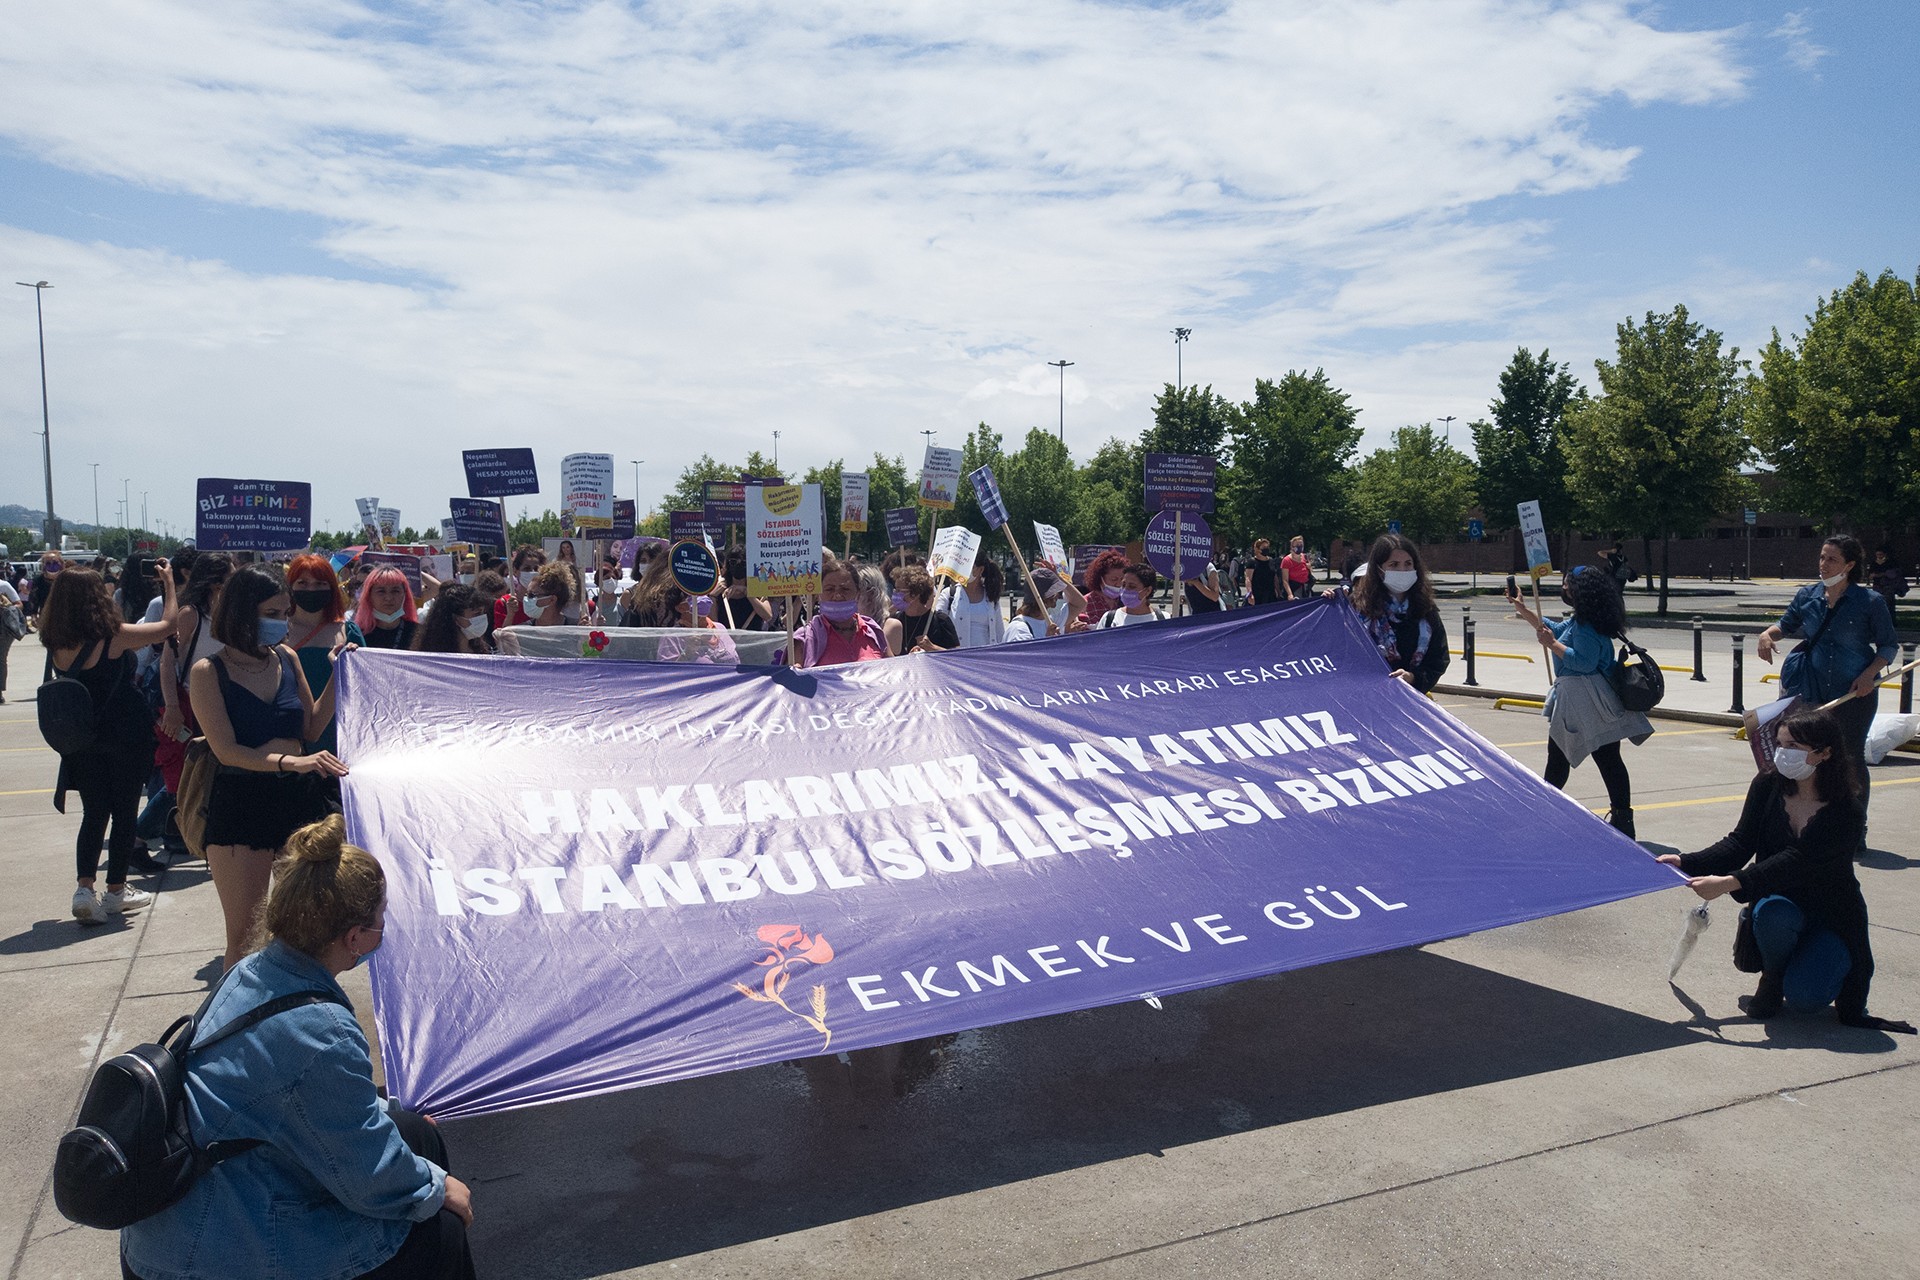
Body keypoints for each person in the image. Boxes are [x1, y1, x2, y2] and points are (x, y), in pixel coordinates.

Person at [119, 815, 478, 1280]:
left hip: (174, 1225)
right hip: (202, 1260)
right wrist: (438, 1189)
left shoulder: (252, 972)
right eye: (380, 919)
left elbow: (308, 1097)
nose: (384, 929)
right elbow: (367, 1175)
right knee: (440, 1229)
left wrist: (390, 1118)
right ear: (354, 938)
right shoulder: (321, 1031)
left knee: (413, 1130)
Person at [1656, 708, 1912, 1034]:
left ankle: (1807, 965)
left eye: (1793, 747)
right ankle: (1773, 976)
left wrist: (1731, 883)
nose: (1782, 753)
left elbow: (1799, 860)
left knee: (1806, 1000)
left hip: (1831, 911)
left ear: (1824, 753)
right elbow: (1739, 842)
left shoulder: (1847, 810)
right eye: (1779, 744)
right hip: (1780, 901)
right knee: (1774, 914)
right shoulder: (1768, 784)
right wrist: (1685, 861)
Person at [189, 566, 348, 971]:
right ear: (241, 613)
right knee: (245, 938)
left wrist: (339, 671)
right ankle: (233, 1026)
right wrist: (292, 762)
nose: (282, 623)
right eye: (272, 614)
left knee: (307, 931)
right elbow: (226, 751)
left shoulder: (287, 658)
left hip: (299, 802)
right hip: (242, 804)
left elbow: (311, 725)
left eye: (284, 614)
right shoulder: (209, 672)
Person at [40, 563, 178, 922]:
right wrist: (169, 586)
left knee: (94, 814)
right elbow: (168, 627)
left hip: (81, 740)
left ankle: (85, 889)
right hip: (124, 736)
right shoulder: (112, 636)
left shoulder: (55, 641)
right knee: (124, 815)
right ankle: (116, 890)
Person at [1754, 534, 1897, 827]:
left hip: (1855, 694)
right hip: (1812, 693)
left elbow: (1887, 646)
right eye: (1821, 557)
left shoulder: (1870, 602)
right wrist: (1767, 635)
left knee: (1852, 759)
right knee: (1811, 758)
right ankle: (1814, 824)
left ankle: (1855, 829)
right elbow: (1785, 624)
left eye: (1831, 559)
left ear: (1849, 565)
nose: (1823, 564)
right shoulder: (1808, 596)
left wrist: (1869, 674)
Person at [1508, 564, 1647, 836]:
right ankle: (1623, 819)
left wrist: (1552, 645)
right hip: (1590, 702)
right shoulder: (1583, 620)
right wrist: (1524, 610)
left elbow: (1582, 662)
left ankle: (1543, 812)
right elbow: (1556, 628)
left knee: (1564, 758)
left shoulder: (1585, 627)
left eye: (1567, 583)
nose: (1563, 587)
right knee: (1604, 760)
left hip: (1585, 702)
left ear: (1580, 590)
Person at [1331, 534, 1452, 694]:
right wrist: (1329, 605)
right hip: (1366, 699)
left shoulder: (1425, 609)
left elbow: (1438, 658)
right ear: (1379, 569)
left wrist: (1413, 677)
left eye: (1408, 564)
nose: (1402, 570)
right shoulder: (1357, 606)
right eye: (1394, 564)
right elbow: (1339, 652)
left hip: (1409, 700)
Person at [285, 554, 363, 760]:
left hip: (340, 735)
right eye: (302, 583)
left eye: (320, 583)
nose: (311, 589)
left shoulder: (349, 631)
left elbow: (365, 687)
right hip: (288, 738)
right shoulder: (275, 632)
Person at [799, 563, 888, 667]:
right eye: (829, 589)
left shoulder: (874, 632)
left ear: (858, 593)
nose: (837, 596)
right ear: (819, 594)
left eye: (845, 589)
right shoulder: (805, 638)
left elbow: (892, 673)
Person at [1002, 567, 1088, 641]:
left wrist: (1058, 577)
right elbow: (1024, 659)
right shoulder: (1020, 629)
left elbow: (1079, 604)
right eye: (1054, 592)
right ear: (1044, 598)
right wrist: (1048, 641)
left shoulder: (1050, 622)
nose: (1058, 595)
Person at [888, 565, 959, 654]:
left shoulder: (940, 621)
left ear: (915, 593)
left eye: (899, 590)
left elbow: (956, 656)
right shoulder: (894, 621)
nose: (895, 594)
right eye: (895, 589)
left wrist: (932, 648)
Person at [412, 583, 493, 655]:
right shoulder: (433, 656)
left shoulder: (483, 652)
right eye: (477, 613)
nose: (482, 617)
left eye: (483, 612)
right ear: (456, 618)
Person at [941, 561, 1005, 647]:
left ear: (981, 569)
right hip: (956, 657)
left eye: (969, 566)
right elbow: (937, 625)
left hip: (985, 657)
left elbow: (999, 633)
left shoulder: (991, 597)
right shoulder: (948, 594)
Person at [353, 567, 420, 650]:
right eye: (381, 591)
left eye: (395, 591)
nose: (388, 598)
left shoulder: (420, 634)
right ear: (369, 596)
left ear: (405, 595)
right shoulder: (356, 636)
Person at [492, 545, 547, 630]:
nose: (532, 572)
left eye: (536, 569)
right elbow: (500, 638)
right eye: (527, 569)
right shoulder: (504, 603)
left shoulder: (547, 601)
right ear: (515, 571)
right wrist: (510, 615)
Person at [1095, 562, 1165, 628]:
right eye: (1123, 584)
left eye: (1132, 586)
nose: (1125, 590)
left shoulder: (1164, 620)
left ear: (1147, 590)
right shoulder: (1109, 619)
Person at [1077, 549, 1129, 626]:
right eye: (1113, 579)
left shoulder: (1127, 602)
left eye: (1122, 579)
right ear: (1100, 578)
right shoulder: (1084, 604)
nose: (1118, 584)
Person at [519, 563, 575, 628]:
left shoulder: (575, 630)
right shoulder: (523, 632)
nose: (526, 598)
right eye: (527, 594)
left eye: (532, 595)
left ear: (552, 600)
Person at [1868, 546, 1908, 618]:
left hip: (1888, 585)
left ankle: (1890, 619)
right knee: (1877, 603)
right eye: (1877, 555)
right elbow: (1870, 574)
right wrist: (1872, 575)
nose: (1879, 556)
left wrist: (1880, 574)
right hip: (1877, 585)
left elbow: (1893, 574)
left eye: (1881, 554)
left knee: (1888, 604)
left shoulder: (1890, 562)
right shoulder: (1874, 563)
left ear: (1884, 554)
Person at [0, 569, 21, 703]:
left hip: (3, 628)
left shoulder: (4, 585)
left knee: (0, 658)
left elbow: (19, 604)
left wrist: (5, 607)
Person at [1243, 538, 1280, 606]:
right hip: (1257, 595)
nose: (1266, 549)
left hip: (1270, 595)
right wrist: (1250, 594)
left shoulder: (1271, 561)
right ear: (1257, 549)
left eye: (1267, 547)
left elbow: (1275, 577)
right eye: (1264, 547)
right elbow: (1248, 579)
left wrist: (1278, 591)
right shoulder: (1252, 562)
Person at [1281, 536, 1314, 600]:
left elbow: (1309, 573)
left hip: (1306, 588)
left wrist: (1309, 567)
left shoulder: (1305, 557)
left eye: (1301, 545)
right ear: (1292, 547)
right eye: (1297, 545)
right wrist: (1290, 594)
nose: (1300, 547)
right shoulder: (1286, 560)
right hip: (1295, 589)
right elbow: (1285, 580)